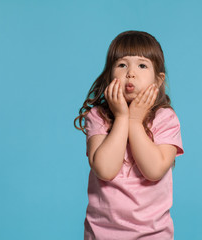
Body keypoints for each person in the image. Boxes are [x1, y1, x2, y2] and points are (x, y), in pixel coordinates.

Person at [74, 30, 184, 240]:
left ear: (158, 80)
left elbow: (154, 170)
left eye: (142, 65)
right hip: (101, 234)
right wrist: (122, 118)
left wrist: (135, 121)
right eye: (122, 65)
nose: (131, 73)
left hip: (152, 235)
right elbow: (104, 170)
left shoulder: (165, 118)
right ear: (109, 76)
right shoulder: (98, 117)